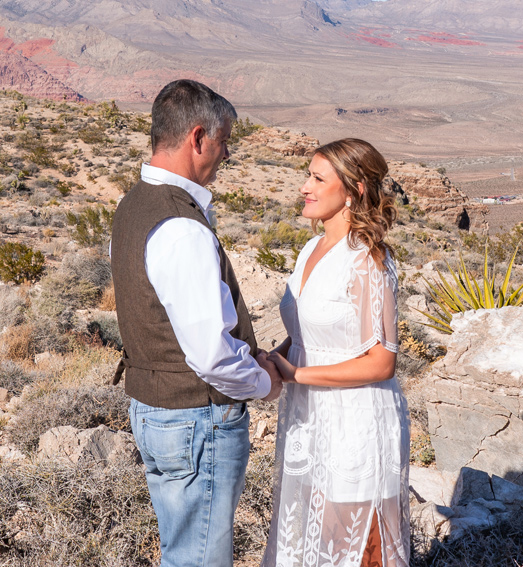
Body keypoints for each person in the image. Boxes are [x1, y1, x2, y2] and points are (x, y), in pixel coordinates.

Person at [110, 79, 284, 567]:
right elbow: (209, 353)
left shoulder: (132, 206)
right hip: (197, 418)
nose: (225, 155)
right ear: (198, 137)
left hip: (155, 407)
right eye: (224, 143)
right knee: (200, 557)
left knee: (182, 552)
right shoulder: (181, 226)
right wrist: (261, 382)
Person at [262, 139, 410, 567]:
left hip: (356, 419)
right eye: (308, 175)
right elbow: (305, 334)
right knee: (310, 536)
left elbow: (382, 362)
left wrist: (295, 375)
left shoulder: (368, 260)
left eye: (317, 178)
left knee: (358, 546)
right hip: (308, 416)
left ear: (354, 190)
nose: (305, 186)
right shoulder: (310, 250)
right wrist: (273, 358)